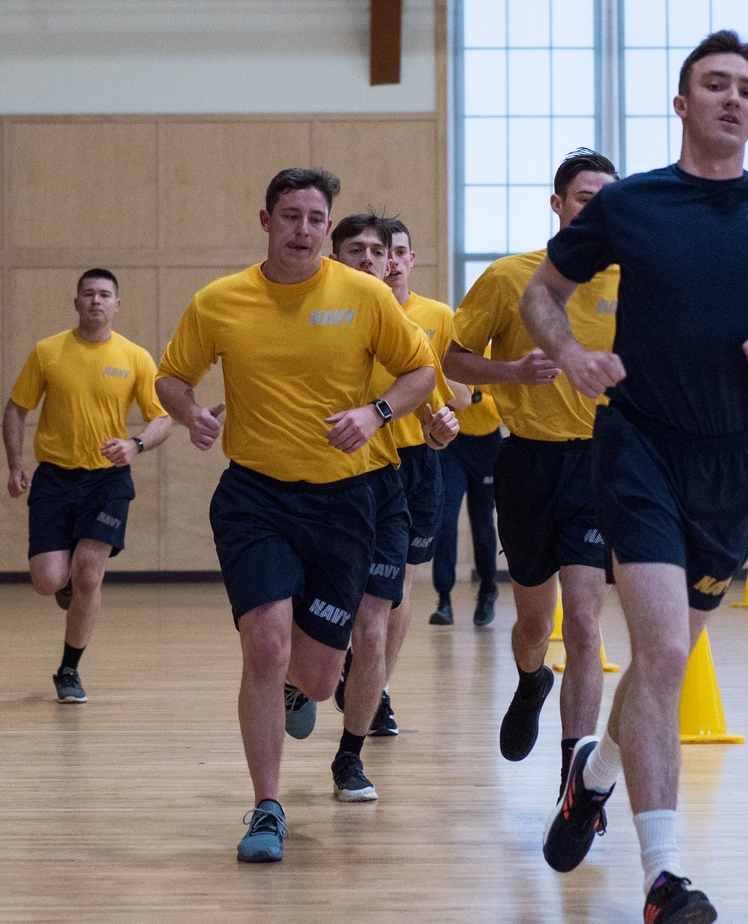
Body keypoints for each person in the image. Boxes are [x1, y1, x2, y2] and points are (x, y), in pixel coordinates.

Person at [520, 31, 748, 924]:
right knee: (659, 656)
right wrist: (573, 355)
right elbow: (544, 291)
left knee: (667, 665)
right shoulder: (631, 203)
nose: (733, 99)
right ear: (682, 102)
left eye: (747, 88)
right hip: (639, 446)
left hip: (734, 462)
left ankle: (593, 778)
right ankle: (663, 882)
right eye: (714, 85)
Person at [155, 170, 436, 862]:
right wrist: (190, 413)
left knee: (314, 677)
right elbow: (171, 376)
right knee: (267, 645)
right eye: (291, 216)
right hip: (256, 497)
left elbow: (420, 373)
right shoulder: (220, 301)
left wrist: (375, 414)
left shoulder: (365, 295)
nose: (303, 230)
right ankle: (267, 807)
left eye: (316, 218)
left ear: (327, 225)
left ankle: (300, 696)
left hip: (346, 502)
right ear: (266, 220)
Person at [444, 150, 620, 803]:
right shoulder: (511, 277)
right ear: (558, 205)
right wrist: (512, 372)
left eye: (606, 198)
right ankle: (529, 680)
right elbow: (455, 361)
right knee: (532, 620)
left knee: (583, 619)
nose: (594, 208)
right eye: (582, 197)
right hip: (525, 463)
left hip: (599, 466)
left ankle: (575, 782)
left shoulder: (639, 282)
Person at [327, 213, 458, 803]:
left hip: (405, 469)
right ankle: (320, 677)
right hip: (332, 469)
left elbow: (440, 399)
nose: (384, 260)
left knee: (391, 595)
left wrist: (440, 427)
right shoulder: (328, 314)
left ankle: (370, 699)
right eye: (364, 250)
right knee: (331, 603)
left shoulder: (427, 321)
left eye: (391, 251)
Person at [2, 269, 172, 703]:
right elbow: (16, 410)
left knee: (89, 572)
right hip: (55, 479)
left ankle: (68, 669)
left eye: (105, 294)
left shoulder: (135, 356)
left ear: (117, 305)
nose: (96, 300)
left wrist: (134, 444)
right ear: (76, 302)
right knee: (47, 579)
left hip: (108, 481)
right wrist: (15, 465)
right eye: (88, 294)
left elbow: (162, 417)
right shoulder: (48, 352)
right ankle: (65, 585)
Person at [429, 377, 502, 627]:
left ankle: (487, 588)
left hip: (487, 446)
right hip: (454, 445)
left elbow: (505, 401)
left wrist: (477, 395)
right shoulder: (453, 353)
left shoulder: (492, 353)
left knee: (482, 522)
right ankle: (444, 598)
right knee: (446, 520)